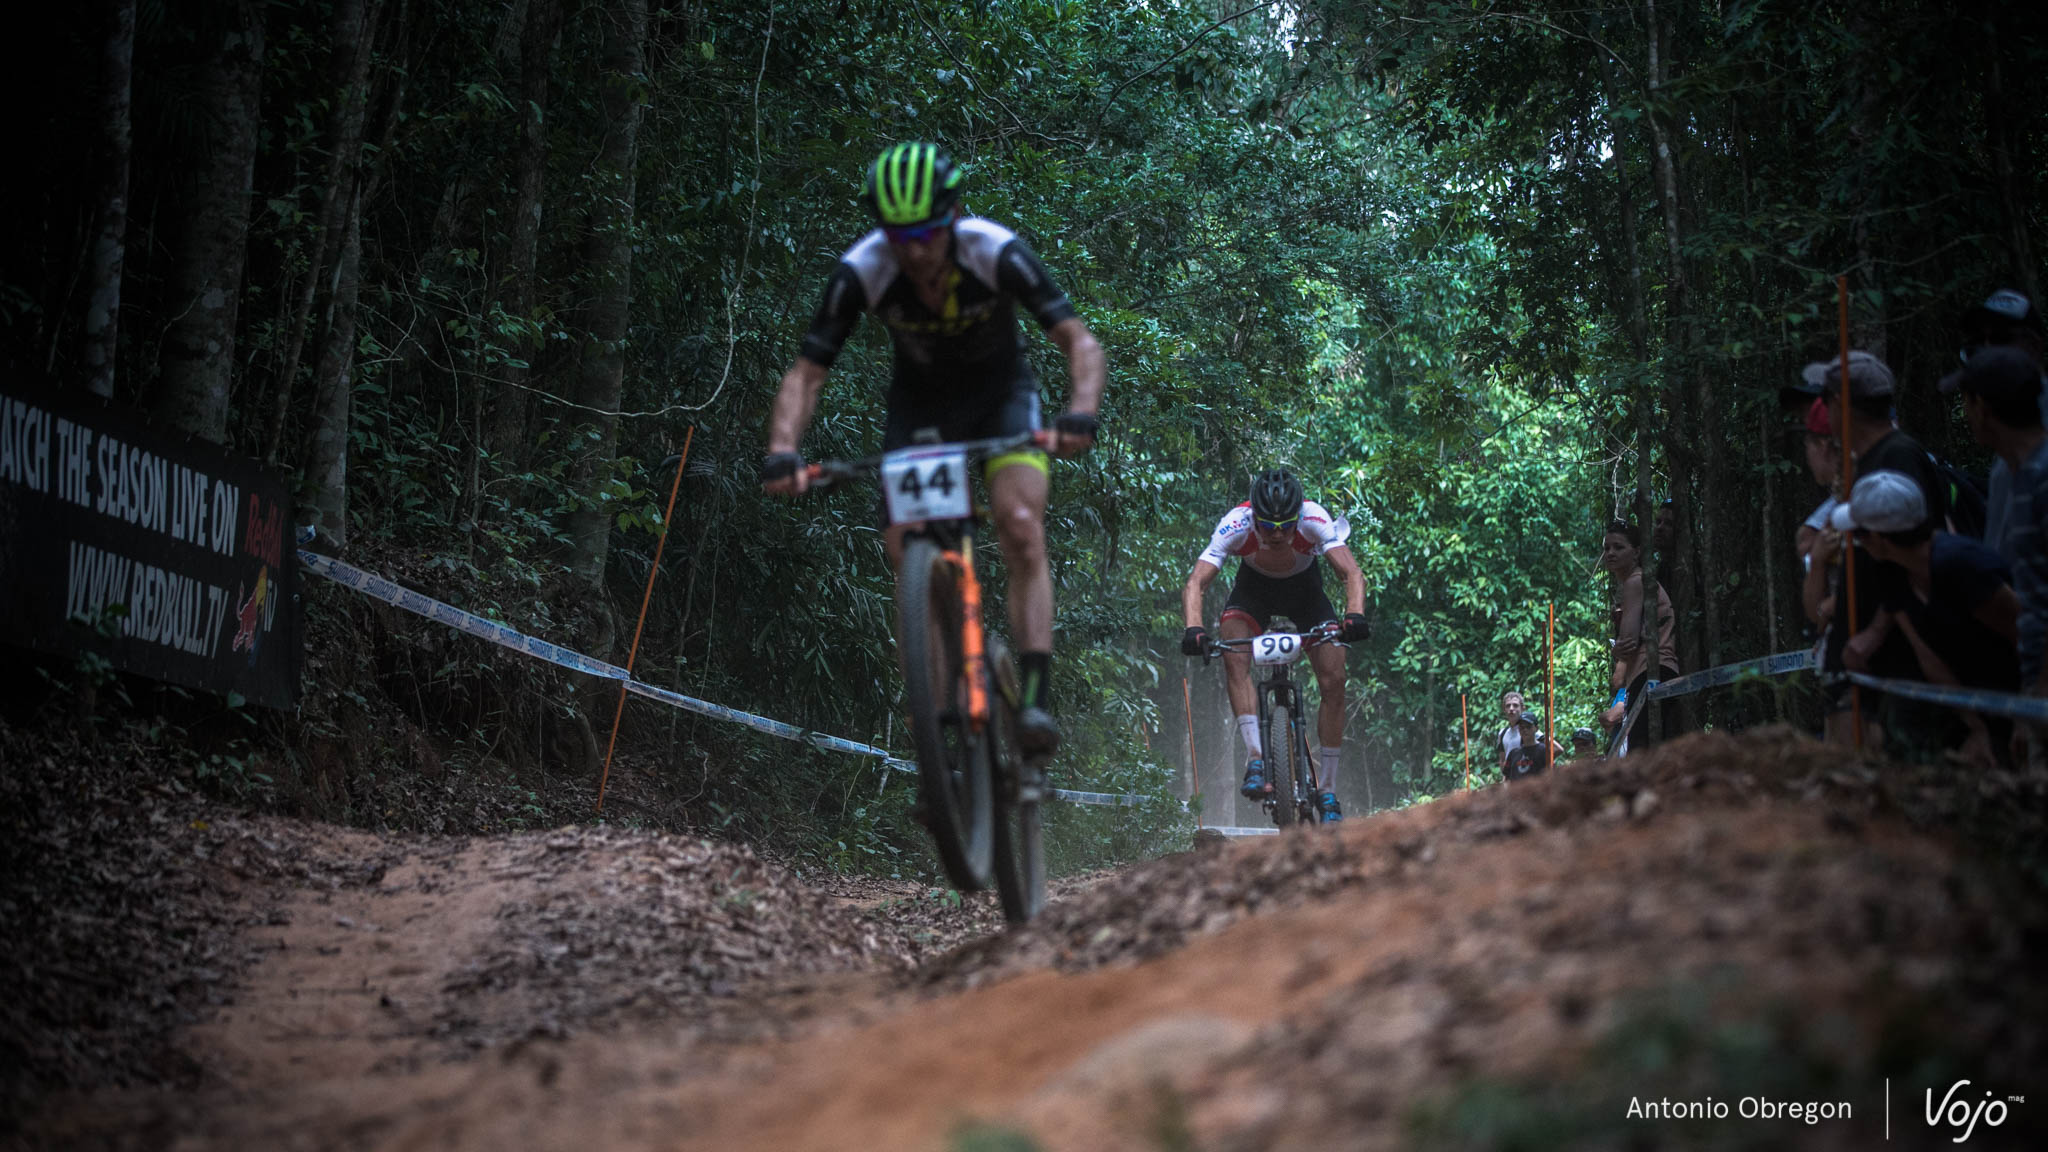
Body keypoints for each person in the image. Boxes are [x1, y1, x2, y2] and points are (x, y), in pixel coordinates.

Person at [762, 142, 1106, 754]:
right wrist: (784, 448)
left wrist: (1079, 412)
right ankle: (937, 732)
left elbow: (1079, 341)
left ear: (951, 219)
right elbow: (807, 373)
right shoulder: (863, 269)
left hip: (1002, 397)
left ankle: (1033, 696)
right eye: (899, 236)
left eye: (926, 234)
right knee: (907, 557)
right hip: (921, 410)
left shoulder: (994, 251)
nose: (914, 250)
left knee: (1021, 524)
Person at [1180, 470, 1368, 821]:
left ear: (1299, 516)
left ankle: (1327, 788)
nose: (1278, 533)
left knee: (1334, 679)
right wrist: (1194, 628)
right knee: (1234, 655)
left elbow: (1351, 574)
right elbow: (1196, 583)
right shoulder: (1236, 523)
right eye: (1269, 526)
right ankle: (1255, 758)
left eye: (1286, 525)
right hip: (1254, 593)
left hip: (1307, 595)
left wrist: (1354, 615)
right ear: (1254, 518)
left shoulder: (1314, 518)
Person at [1832, 469, 2019, 768]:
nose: (1857, 542)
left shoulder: (1961, 565)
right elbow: (1929, 657)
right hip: (1976, 705)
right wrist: (1978, 728)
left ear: (1879, 538)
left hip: (2020, 696)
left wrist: (2024, 717)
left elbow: (2023, 633)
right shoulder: (1893, 573)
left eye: (1859, 534)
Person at [1956, 345, 2048, 763]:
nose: (1966, 413)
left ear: (1984, 409)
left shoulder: (2042, 478)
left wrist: (2040, 693)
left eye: (1967, 401)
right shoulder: (2020, 475)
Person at [1939, 290, 2046, 558]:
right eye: (1977, 345)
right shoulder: (2006, 453)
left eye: (2000, 339)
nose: (1987, 352)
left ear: (2034, 347)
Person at [1599, 519, 1680, 752]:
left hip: (1651, 673)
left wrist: (1617, 650)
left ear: (1636, 552)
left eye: (1618, 547)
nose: (1611, 553)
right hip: (1659, 673)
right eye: (1607, 548)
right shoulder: (1640, 581)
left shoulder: (1635, 581)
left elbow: (1628, 643)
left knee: (1641, 753)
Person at [1503, 712, 1550, 781]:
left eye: (1528, 727)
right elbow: (1507, 778)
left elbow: (1551, 776)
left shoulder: (1543, 750)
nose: (1525, 730)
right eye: (1521, 727)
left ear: (1536, 728)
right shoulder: (1513, 753)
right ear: (1518, 730)